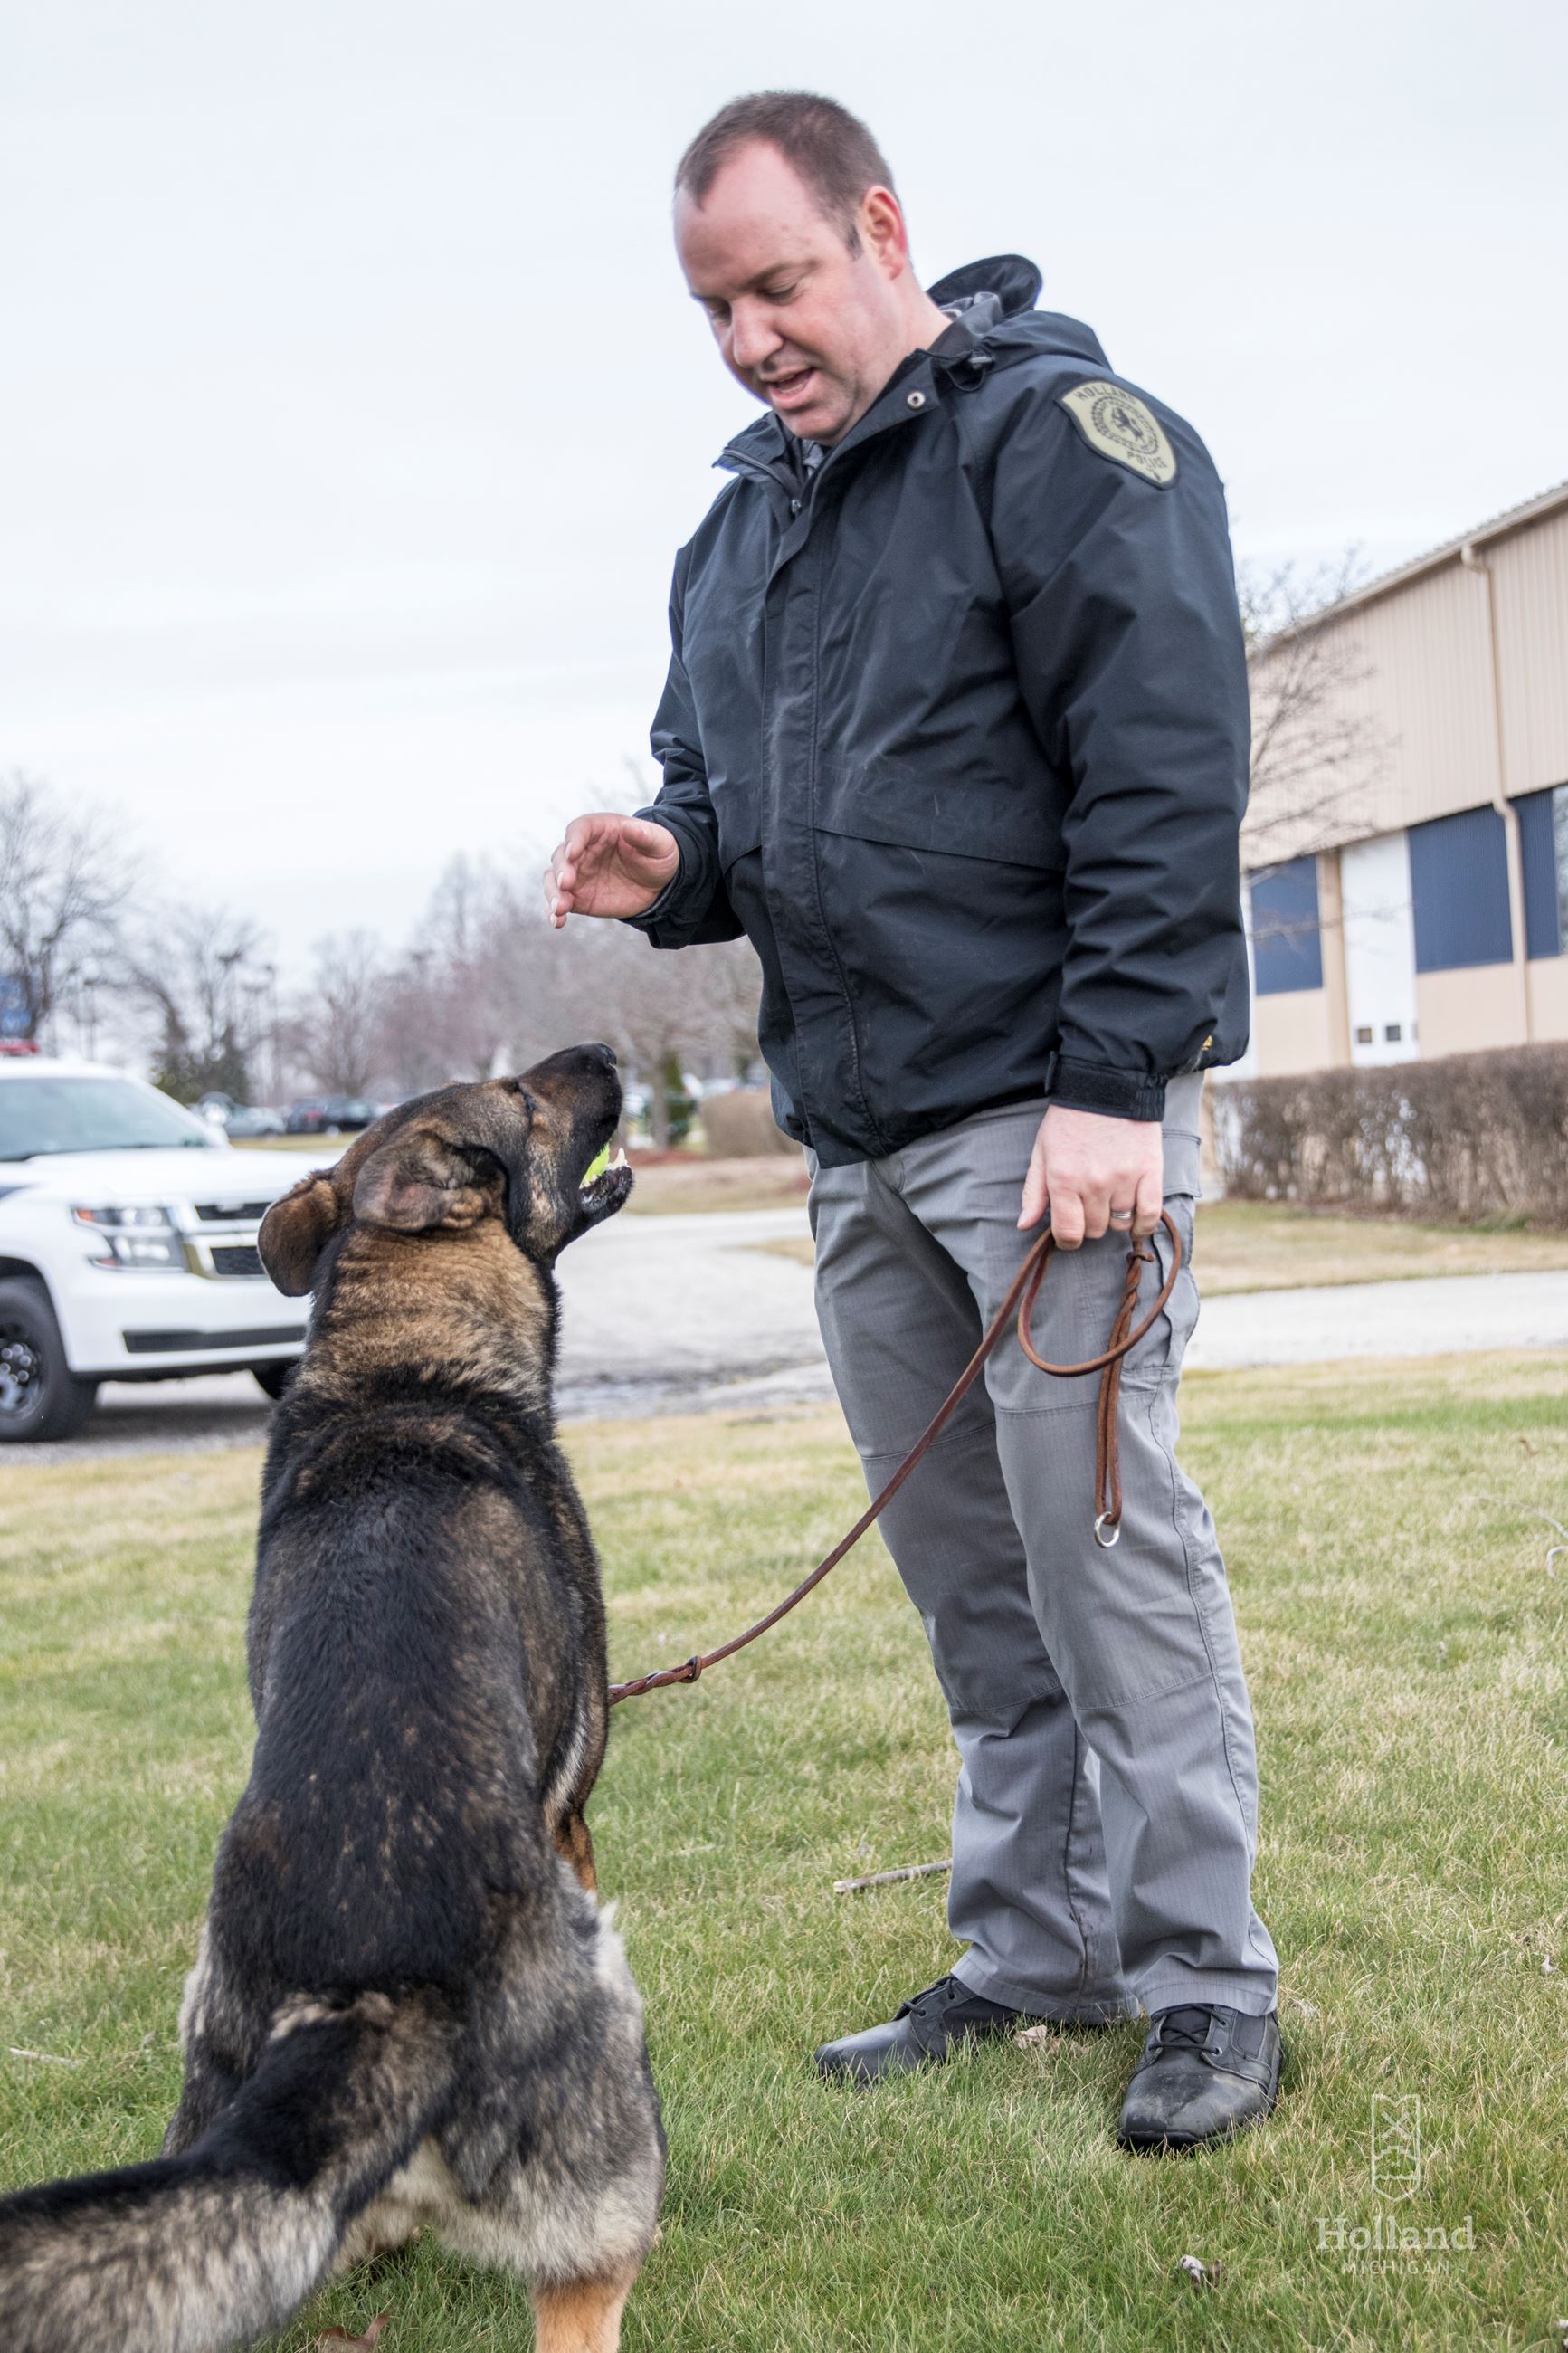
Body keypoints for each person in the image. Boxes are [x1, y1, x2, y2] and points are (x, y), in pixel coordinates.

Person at [545, 90, 1280, 2154]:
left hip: (1051, 1125)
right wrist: (667, 863)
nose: (748, 340)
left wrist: (1114, 1087)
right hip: (859, 1144)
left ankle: (1207, 1986)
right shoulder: (734, 535)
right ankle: (1033, 1954)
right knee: (972, 1590)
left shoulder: (1063, 448)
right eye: (712, 309)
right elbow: (725, 800)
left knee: (1108, 1564)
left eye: (775, 285)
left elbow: (1163, 775)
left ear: (880, 228)